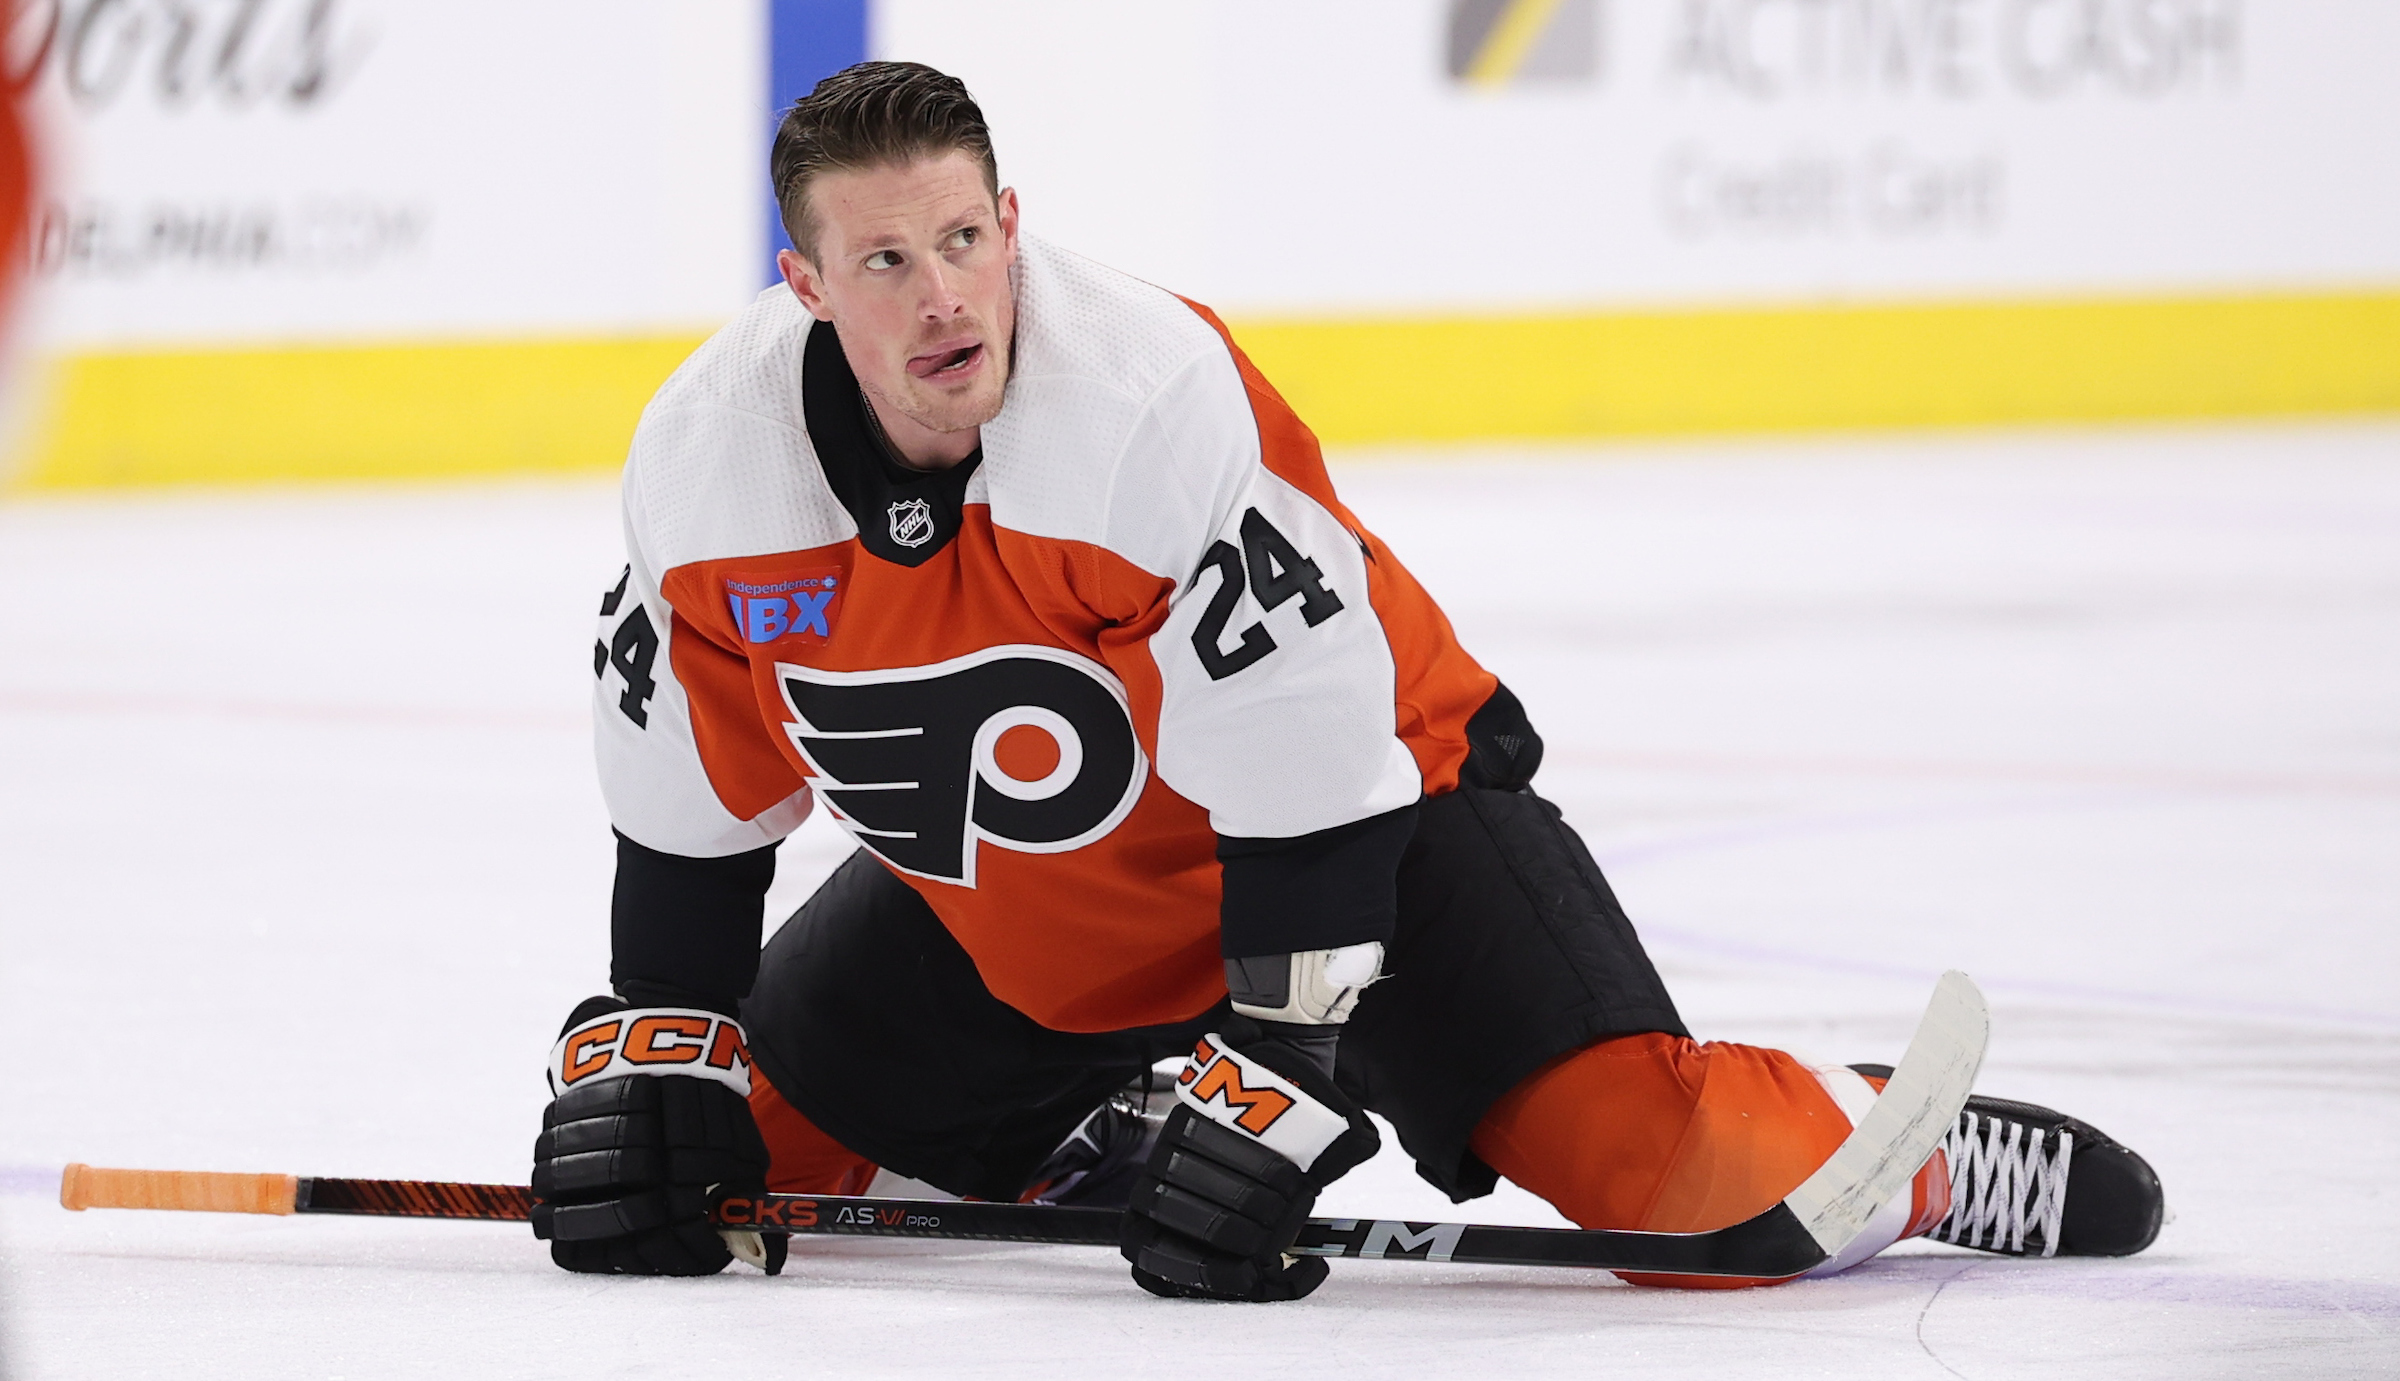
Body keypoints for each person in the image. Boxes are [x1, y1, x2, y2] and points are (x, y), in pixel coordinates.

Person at [529, 61, 2164, 1299]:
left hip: (1384, 837)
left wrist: (1280, 1072)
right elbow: (687, 805)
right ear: (804, 286)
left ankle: (1919, 1147)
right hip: (1028, 901)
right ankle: (1090, 1126)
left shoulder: (1142, 404)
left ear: (1013, 225)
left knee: (1681, 1191)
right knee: (745, 1165)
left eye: (965, 238)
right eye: (885, 262)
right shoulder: (709, 469)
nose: (945, 293)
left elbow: (1318, 759)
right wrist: (660, 1048)